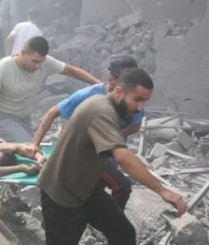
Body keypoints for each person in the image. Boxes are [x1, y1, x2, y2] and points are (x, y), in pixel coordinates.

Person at [15, 69, 188, 245]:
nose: (141, 107)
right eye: (137, 99)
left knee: (123, 232)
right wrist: (163, 191)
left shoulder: (105, 106)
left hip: (85, 189)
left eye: (145, 101)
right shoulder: (101, 112)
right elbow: (123, 157)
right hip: (61, 195)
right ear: (118, 92)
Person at [31, 56, 141, 208]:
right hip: (86, 155)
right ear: (112, 80)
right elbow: (53, 112)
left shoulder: (133, 100)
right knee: (122, 186)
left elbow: (136, 125)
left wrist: (116, 136)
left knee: (94, 191)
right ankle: (111, 218)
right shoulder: (90, 95)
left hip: (109, 156)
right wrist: (34, 144)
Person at [0, 36, 100, 143]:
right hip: (2, 116)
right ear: (23, 53)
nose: (38, 66)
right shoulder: (1, 69)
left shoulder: (45, 62)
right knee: (28, 147)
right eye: (35, 61)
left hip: (24, 117)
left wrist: (100, 85)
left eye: (41, 62)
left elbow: (72, 71)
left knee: (33, 146)